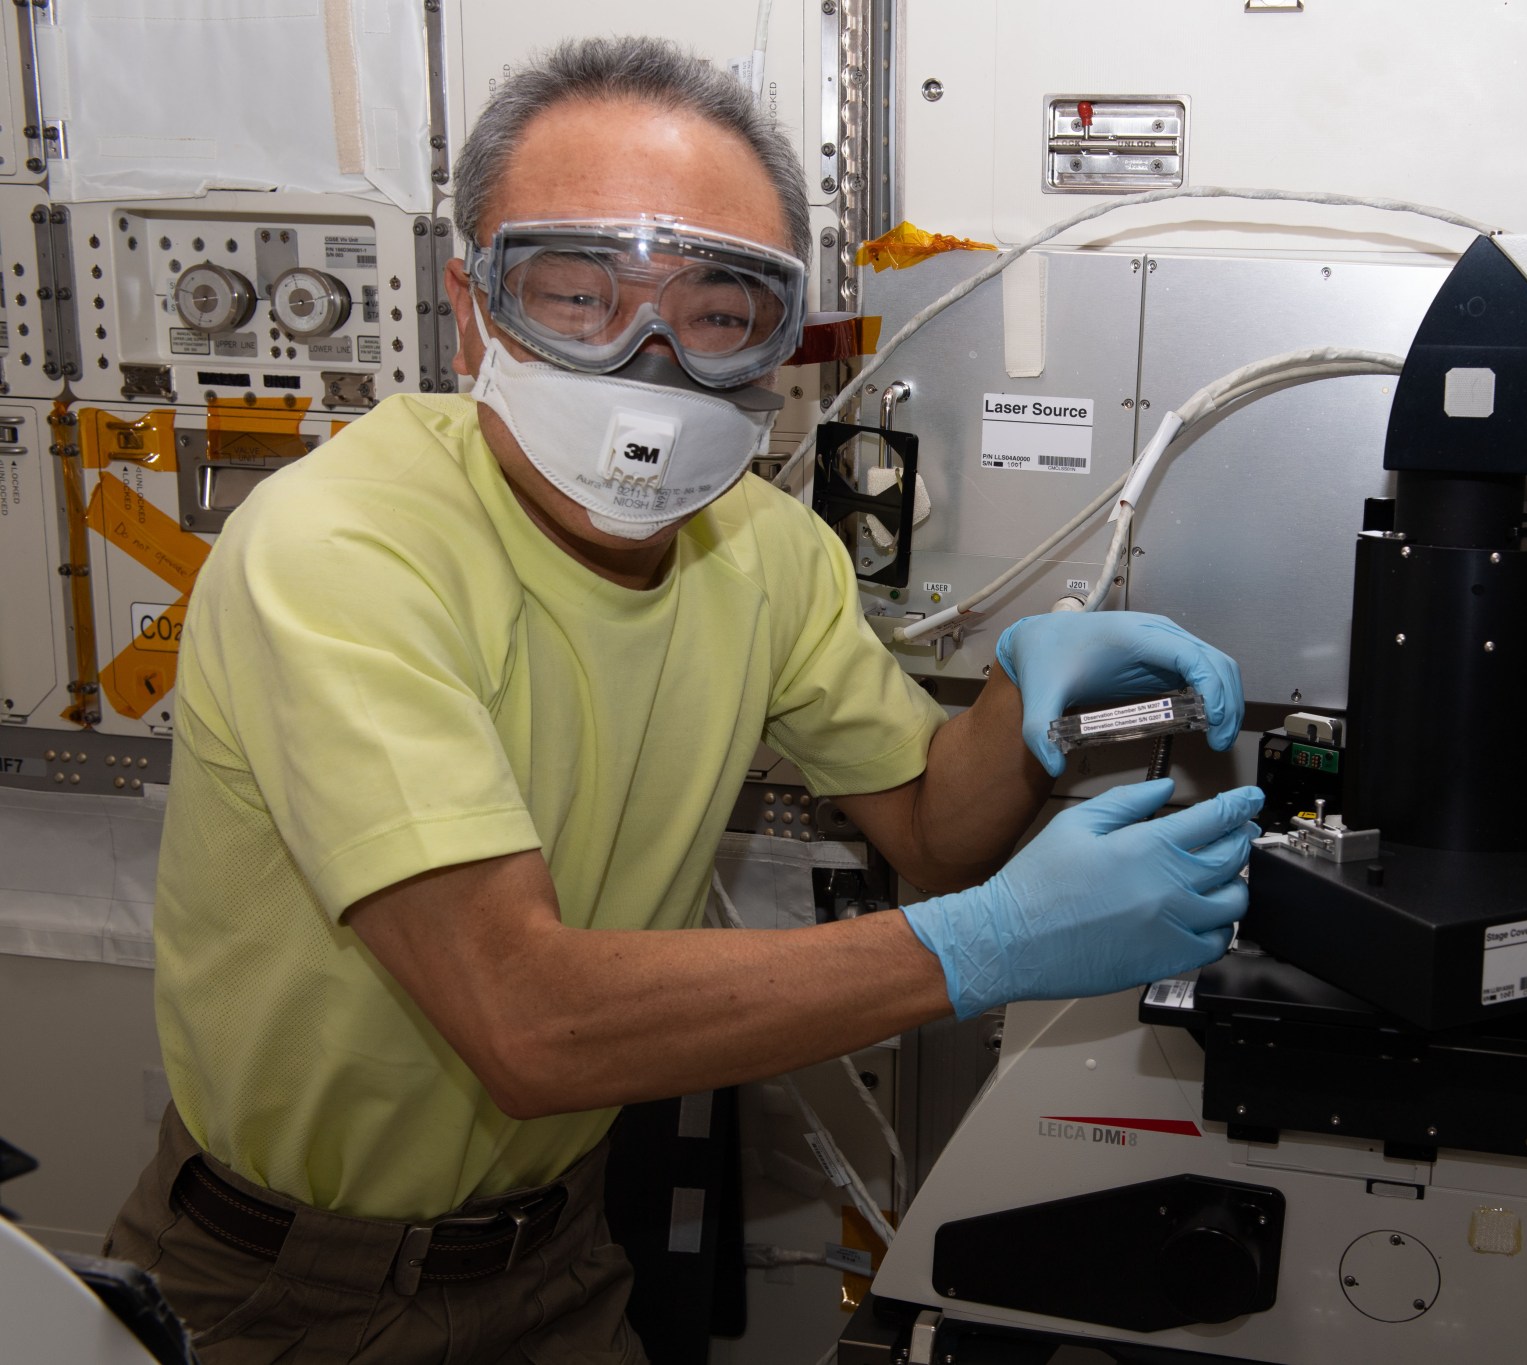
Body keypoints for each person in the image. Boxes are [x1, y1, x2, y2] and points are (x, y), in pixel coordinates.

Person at [104, 36, 1262, 1363]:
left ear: (781, 335)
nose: (648, 357)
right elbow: (525, 1021)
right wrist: (985, 946)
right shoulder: (346, 547)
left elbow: (938, 827)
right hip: (284, 1286)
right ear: (474, 304)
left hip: (559, 1254)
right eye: (578, 293)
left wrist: (1023, 699)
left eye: (718, 310)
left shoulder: (763, 555)